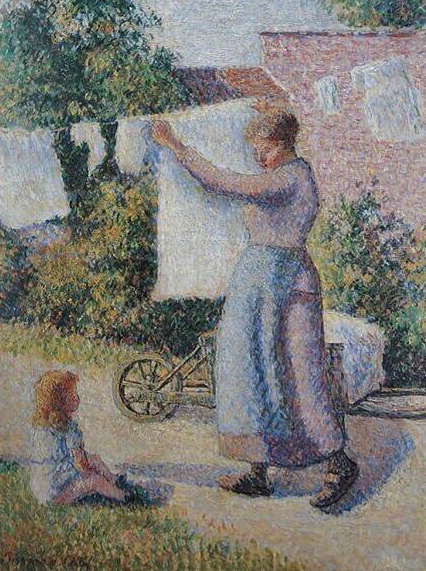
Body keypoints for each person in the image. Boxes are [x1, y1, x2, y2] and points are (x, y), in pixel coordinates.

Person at [152, 108, 358, 508]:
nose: (258, 156)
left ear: (285, 144)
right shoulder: (281, 174)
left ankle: (339, 464)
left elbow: (225, 183)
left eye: (265, 149)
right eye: (256, 149)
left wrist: (175, 144)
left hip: (286, 283)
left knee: (299, 376)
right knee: (252, 372)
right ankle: (258, 470)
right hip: (258, 282)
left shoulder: (292, 176)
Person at [29, 370, 126, 505]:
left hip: (41, 489)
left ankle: (113, 480)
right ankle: (124, 497)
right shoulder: (70, 428)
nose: (77, 398)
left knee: (94, 459)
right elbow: (81, 465)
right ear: (60, 401)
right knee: (95, 480)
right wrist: (91, 472)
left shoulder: (41, 427)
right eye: (72, 395)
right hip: (58, 492)